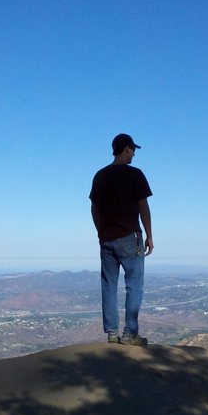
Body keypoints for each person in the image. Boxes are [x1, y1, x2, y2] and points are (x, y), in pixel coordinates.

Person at [89, 133, 154, 346]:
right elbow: (143, 206)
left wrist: (101, 231)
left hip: (106, 239)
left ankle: (111, 333)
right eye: (132, 149)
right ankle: (130, 334)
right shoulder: (134, 174)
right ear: (125, 149)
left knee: (108, 285)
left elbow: (94, 207)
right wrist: (149, 236)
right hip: (129, 237)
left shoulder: (100, 176)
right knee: (134, 285)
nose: (134, 153)